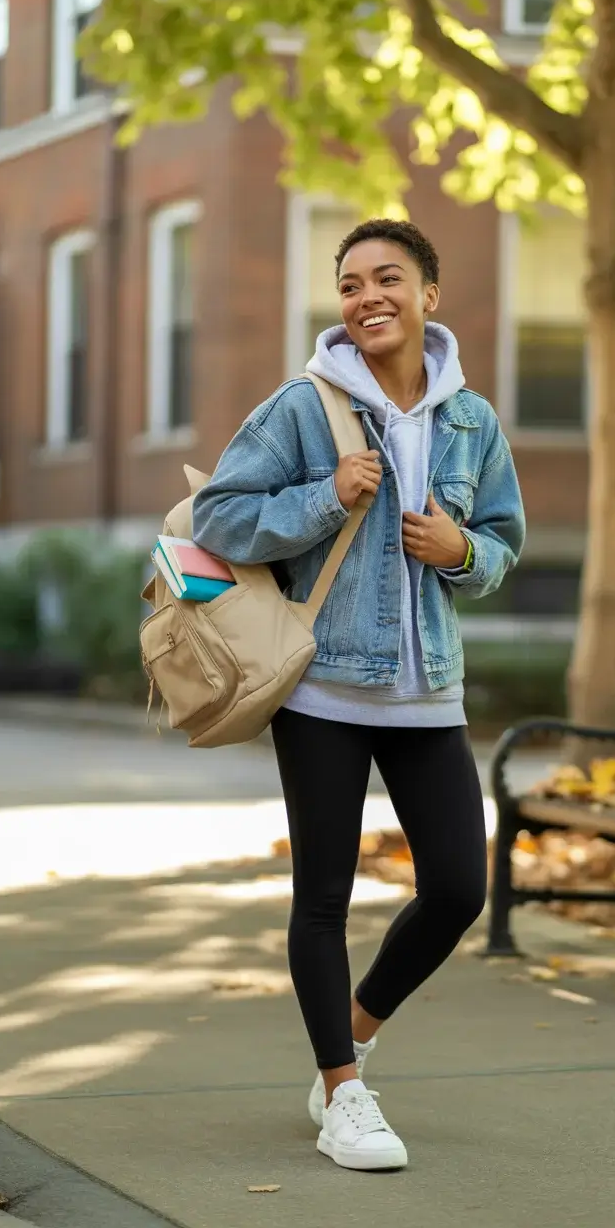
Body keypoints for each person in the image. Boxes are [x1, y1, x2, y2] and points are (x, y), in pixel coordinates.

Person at [193, 218, 525, 1172]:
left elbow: (501, 540)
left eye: (388, 279)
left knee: (459, 888)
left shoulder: (471, 419)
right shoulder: (305, 404)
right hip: (326, 690)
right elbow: (219, 514)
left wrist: (463, 553)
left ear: (430, 294)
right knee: (323, 902)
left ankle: (353, 1034)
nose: (367, 297)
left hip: (431, 693)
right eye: (349, 284)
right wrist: (323, 498)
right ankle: (343, 1094)